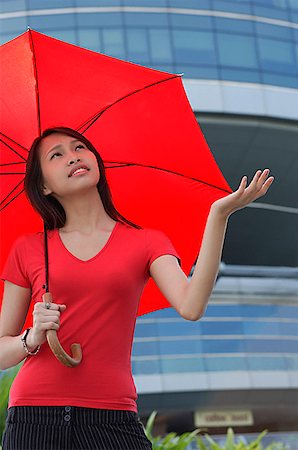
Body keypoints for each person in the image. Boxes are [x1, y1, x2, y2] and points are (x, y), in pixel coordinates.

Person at [0, 126, 274, 450]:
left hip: (112, 414)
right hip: (35, 412)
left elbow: (191, 306)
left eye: (79, 148)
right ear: (44, 185)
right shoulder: (28, 249)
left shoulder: (145, 241)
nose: (73, 157)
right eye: (56, 155)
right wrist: (31, 336)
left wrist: (219, 215)